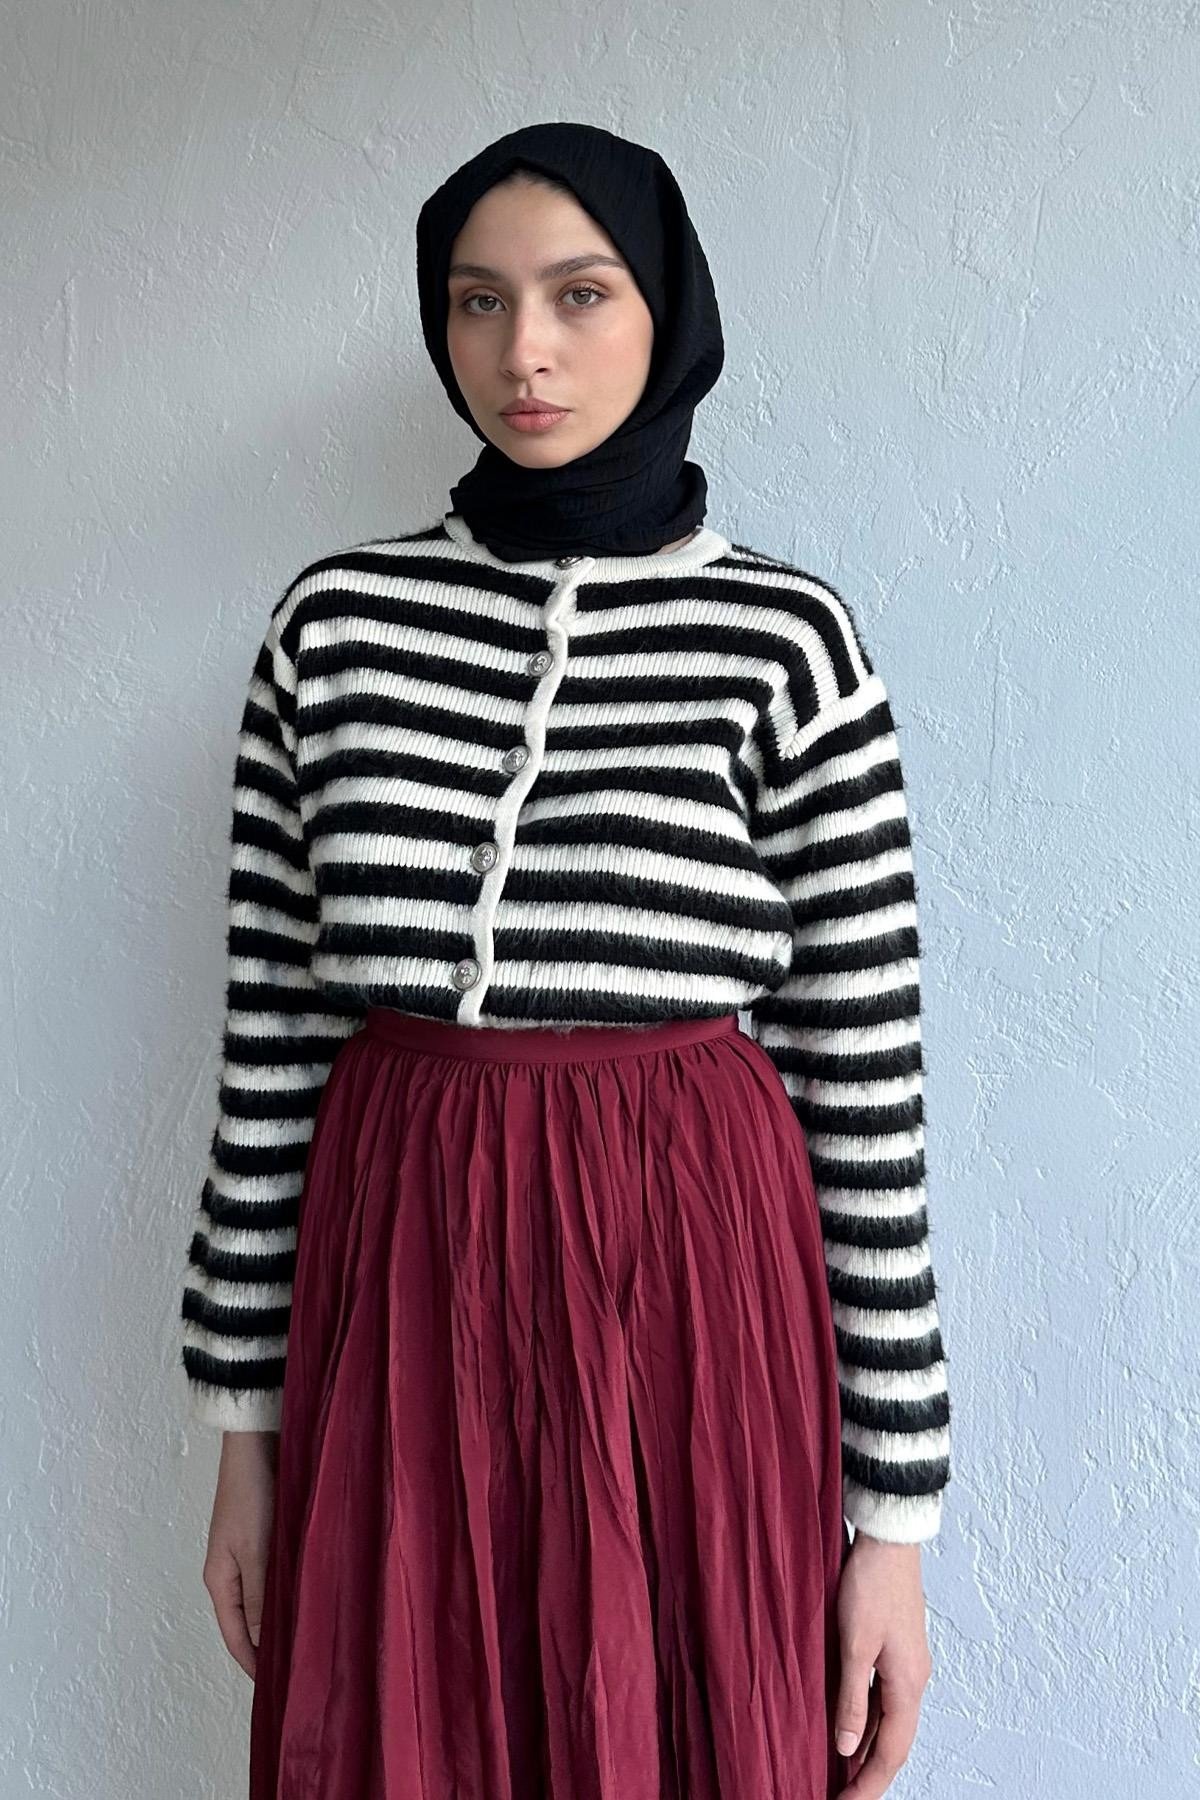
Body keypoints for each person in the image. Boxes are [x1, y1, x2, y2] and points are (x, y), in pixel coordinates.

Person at [182, 121, 951, 1800]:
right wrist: (242, 1435)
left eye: (578, 294)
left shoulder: (786, 644)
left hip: (694, 1295)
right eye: (477, 301)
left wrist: (892, 1520)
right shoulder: (333, 630)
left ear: (666, 311)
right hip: (403, 1283)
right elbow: (269, 1060)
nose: (520, 349)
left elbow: (866, 1088)